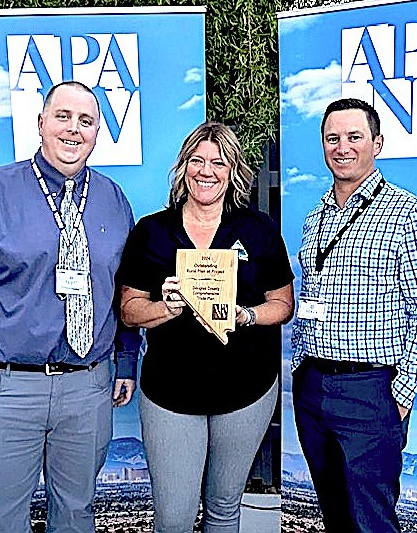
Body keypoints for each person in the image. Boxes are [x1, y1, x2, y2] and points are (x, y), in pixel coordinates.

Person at [0, 81, 139, 533]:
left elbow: (124, 288)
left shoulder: (114, 200)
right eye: (62, 116)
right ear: (40, 124)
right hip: (8, 388)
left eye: (86, 121)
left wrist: (124, 360)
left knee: (78, 513)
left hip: (88, 386)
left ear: (99, 132)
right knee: (3, 517)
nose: (73, 130)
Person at [118, 121, 294, 533]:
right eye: (197, 160)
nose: (206, 171)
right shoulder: (152, 231)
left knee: (223, 507)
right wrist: (167, 307)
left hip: (246, 391)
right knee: (174, 518)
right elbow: (128, 310)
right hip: (171, 395)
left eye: (218, 162)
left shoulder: (258, 230)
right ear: (183, 168)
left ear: (233, 170)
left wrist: (245, 316)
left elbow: (282, 304)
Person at [291, 98, 417, 532]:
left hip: (370, 389)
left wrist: (398, 395)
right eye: (332, 138)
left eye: (353, 137)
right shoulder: (314, 218)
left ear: (377, 143)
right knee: (335, 515)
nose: (341, 147)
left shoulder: (410, 213)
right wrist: (301, 370)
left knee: (372, 521)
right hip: (313, 387)